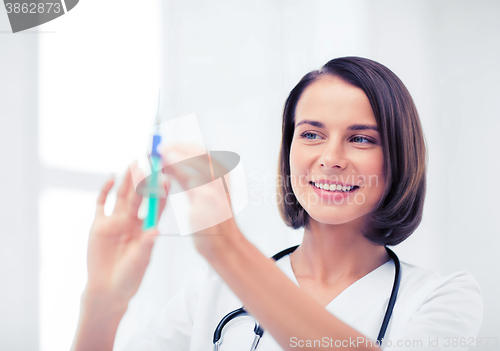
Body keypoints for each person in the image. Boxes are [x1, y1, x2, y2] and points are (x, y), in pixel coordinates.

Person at [70, 57, 483, 351]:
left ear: (399, 156)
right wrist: (103, 301)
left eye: (361, 138)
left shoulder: (444, 298)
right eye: (310, 134)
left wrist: (226, 247)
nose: (331, 158)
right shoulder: (211, 295)